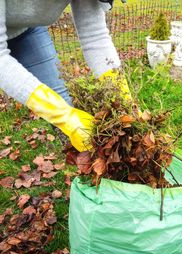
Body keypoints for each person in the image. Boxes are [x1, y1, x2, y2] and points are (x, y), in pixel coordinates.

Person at [0, 0, 129, 151]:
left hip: (25, 29)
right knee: (61, 114)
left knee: (63, 103)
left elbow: (95, 36)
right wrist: (63, 117)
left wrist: (124, 100)